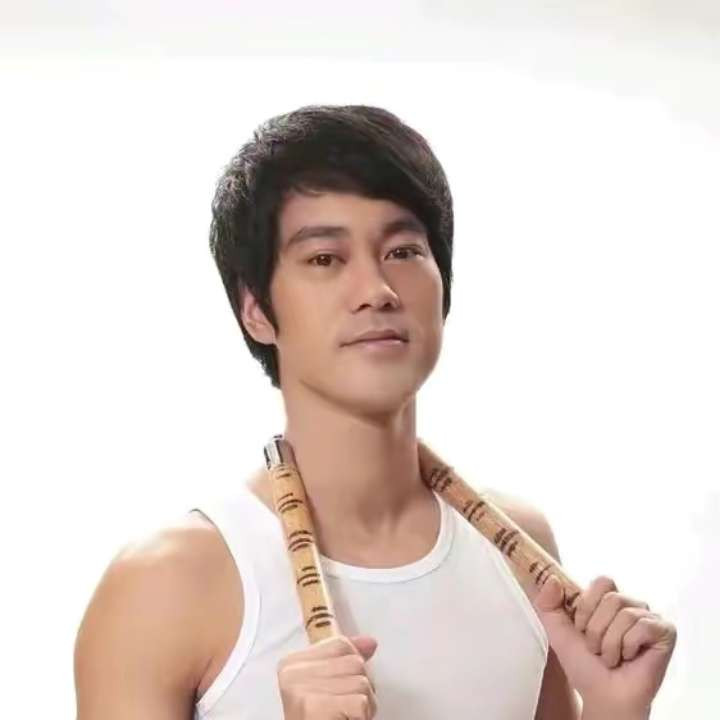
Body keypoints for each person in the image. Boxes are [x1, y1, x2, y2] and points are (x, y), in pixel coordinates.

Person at [74, 105, 677, 720]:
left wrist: (614, 708)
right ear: (255, 310)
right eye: (324, 259)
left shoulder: (520, 548)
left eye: (403, 251)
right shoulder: (167, 582)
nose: (377, 291)